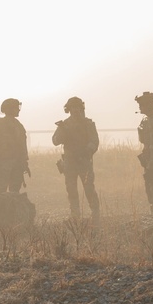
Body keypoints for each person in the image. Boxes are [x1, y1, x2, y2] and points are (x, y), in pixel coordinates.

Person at [51, 96, 100, 226]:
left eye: (77, 107)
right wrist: (62, 133)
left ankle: (95, 213)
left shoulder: (88, 123)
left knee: (89, 188)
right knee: (71, 189)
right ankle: (75, 215)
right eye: (72, 107)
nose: (75, 110)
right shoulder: (64, 124)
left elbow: (94, 141)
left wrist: (86, 152)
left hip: (84, 161)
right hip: (70, 162)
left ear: (81, 107)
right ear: (68, 109)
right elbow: (55, 141)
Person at [0, 98, 30, 197]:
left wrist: (24, 161)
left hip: (15, 163)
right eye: (16, 108)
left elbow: (22, 145)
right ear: (9, 109)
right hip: (1, 163)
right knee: (1, 191)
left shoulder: (18, 125)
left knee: (14, 191)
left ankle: (10, 211)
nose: (18, 110)